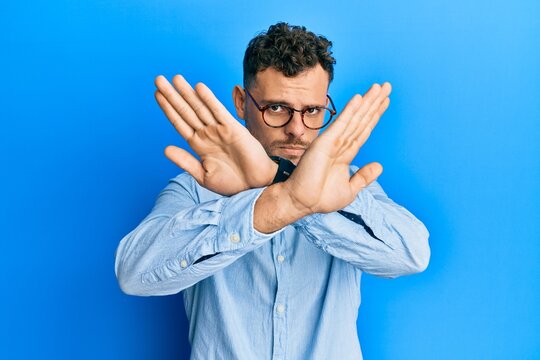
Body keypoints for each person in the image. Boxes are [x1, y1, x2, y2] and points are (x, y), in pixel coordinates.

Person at [115, 22, 430, 360]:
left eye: (312, 111)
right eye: (276, 108)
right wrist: (274, 204)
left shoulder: (346, 185)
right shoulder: (197, 189)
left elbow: (411, 256)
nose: (297, 130)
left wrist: (281, 185)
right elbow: (134, 275)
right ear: (241, 102)